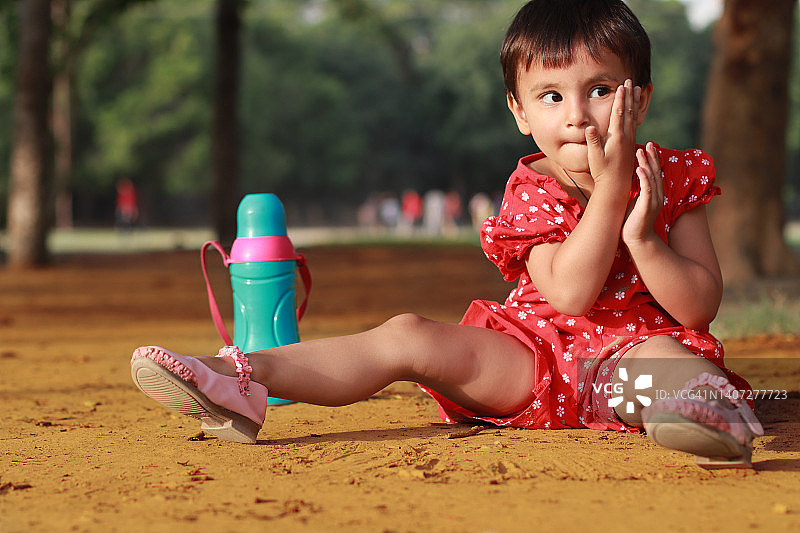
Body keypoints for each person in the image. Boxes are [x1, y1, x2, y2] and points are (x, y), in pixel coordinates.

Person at [130, 0, 763, 469]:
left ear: (640, 99)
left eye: (600, 90)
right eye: (549, 96)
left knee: (666, 368)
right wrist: (611, 196)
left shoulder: (674, 176)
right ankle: (240, 378)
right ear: (518, 111)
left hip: (633, 358)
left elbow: (698, 305)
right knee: (407, 334)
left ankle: (702, 422)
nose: (576, 114)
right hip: (531, 360)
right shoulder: (530, 188)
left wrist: (645, 239)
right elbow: (569, 293)